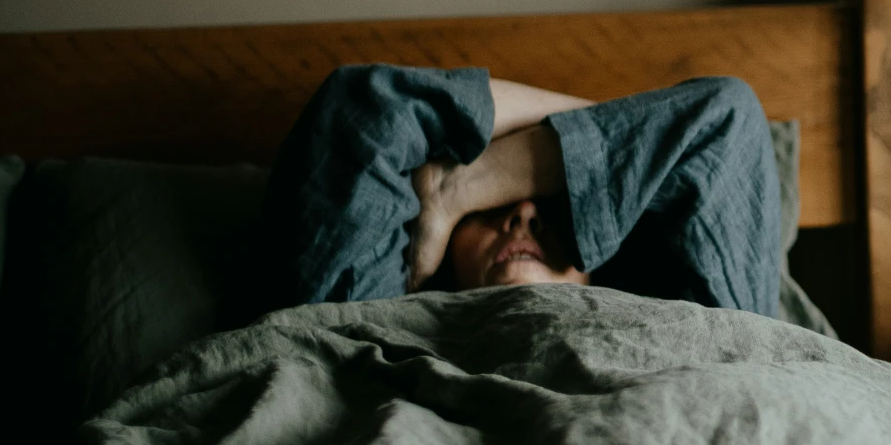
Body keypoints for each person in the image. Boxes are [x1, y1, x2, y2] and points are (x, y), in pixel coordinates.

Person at [261, 65, 782, 317]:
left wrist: (467, 186)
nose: (526, 213)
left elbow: (724, 121)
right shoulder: (367, 317)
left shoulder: (697, 326)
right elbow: (365, 110)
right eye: (492, 206)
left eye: (559, 204)